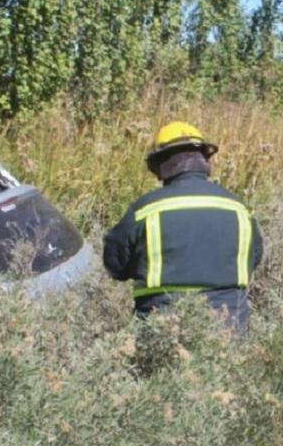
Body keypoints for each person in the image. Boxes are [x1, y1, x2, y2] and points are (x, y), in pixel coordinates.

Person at [102, 121, 264, 335]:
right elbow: (254, 257)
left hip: (164, 329)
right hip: (229, 331)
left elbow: (115, 264)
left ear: (160, 164)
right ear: (204, 160)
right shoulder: (238, 208)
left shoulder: (146, 209)